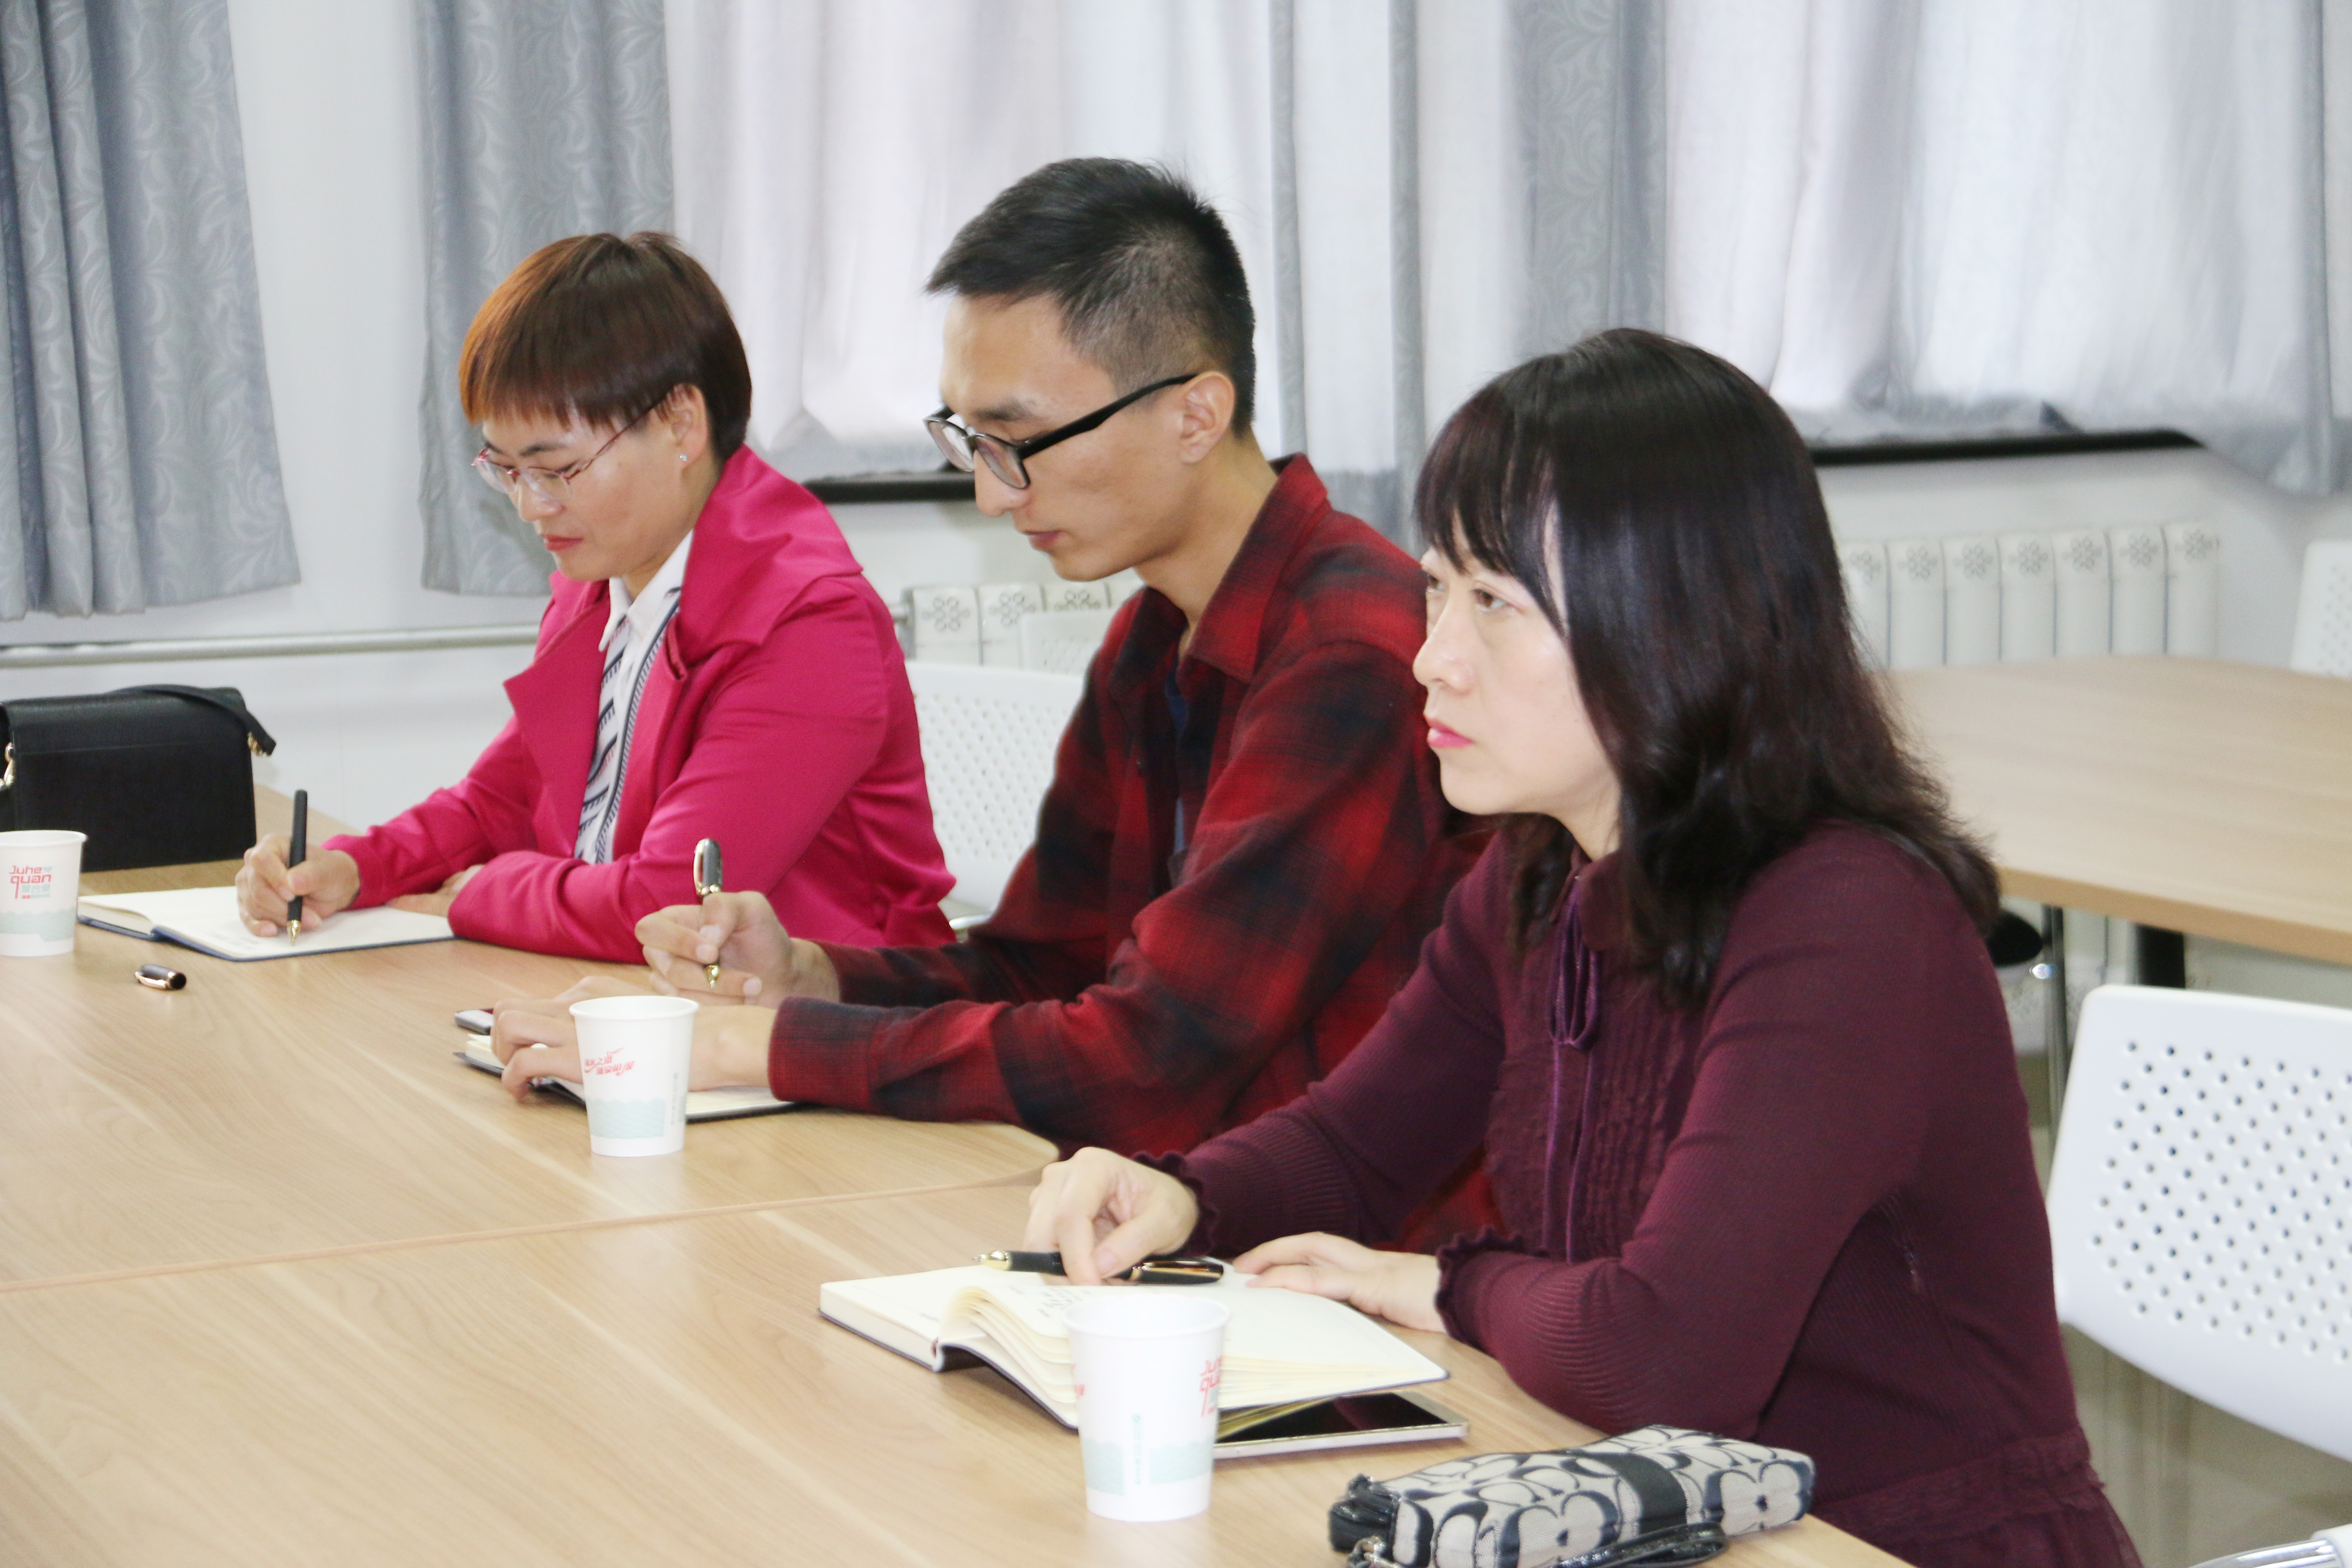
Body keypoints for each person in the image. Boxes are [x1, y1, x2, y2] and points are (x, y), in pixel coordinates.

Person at [1016, 333, 2141, 1566]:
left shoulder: (1848, 920)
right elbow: (1354, 1145)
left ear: (1671, 622)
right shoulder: (1540, 872)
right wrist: (1183, 1195)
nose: (1433, 657)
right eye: (1438, 590)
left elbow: (1662, 1358)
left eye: (1494, 604)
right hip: (1667, 1519)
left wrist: (1443, 1286)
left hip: (1893, 1546)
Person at [493, 161, 1488, 1222]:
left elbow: (1150, 1059)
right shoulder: (1154, 637)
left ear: (1196, 415)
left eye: (1018, 441)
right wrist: (815, 978)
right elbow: (1045, 965)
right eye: (969, 439)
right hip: (1152, 1205)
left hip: (1326, 1258)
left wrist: (758, 1047)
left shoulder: (1351, 653)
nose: (988, 491)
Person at [236, 233, 953, 961]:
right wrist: (354, 869)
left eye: (557, 470)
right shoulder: (601, 585)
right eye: (506, 470)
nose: (530, 506)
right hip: (645, 994)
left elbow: (675, 905)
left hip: (821, 1016)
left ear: (680, 425)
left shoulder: (809, 624)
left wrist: (483, 892)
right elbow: (504, 799)